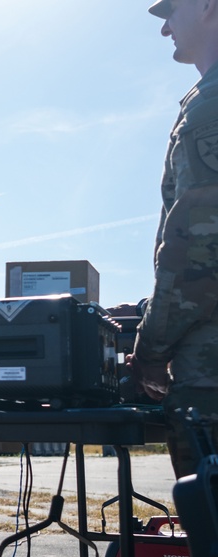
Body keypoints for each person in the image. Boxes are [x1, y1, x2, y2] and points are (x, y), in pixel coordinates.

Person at [130, 0, 218, 479]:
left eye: (172, 10)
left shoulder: (210, 110)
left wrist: (149, 355)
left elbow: (200, 257)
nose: (165, 28)